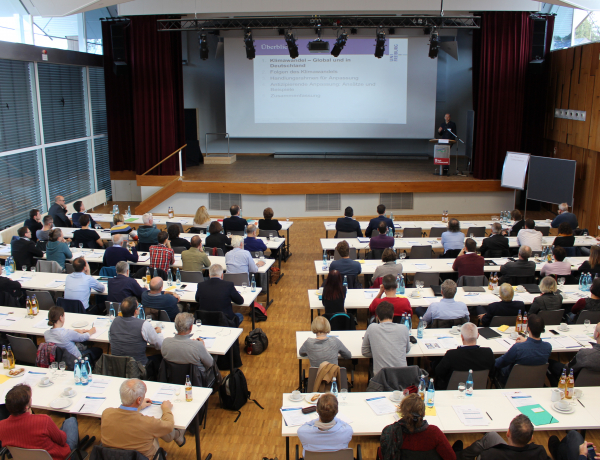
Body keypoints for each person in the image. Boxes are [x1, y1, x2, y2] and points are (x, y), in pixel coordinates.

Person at [101, 379, 185, 459]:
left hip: (112, 456)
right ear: (139, 399)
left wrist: (139, 406)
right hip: (142, 457)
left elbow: (126, 416)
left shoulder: (106, 413)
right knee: (155, 431)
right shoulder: (148, 423)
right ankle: (177, 435)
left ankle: (177, 436)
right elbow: (169, 426)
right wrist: (166, 409)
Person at [0, 384, 81, 459]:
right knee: (71, 421)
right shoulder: (43, 421)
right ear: (26, 406)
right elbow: (62, 440)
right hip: (59, 457)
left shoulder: (1, 426)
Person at [380, 393, 455, 460]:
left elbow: (383, 454)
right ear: (424, 413)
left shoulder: (390, 432)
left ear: (401, 412)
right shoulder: (434, 432)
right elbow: (451, 457)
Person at [454, 414, 550, 460]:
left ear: (508, 433)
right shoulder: (540, 452)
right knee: (491, 436)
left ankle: (457, 456)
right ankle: (461, 455)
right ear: (531, 438)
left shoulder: (490, 455)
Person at [433, 322, 495, 390]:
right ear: (478, 336)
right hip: (479, 390)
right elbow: (492, 373)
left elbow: (438, 372)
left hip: (451, 390)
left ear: (461, 337)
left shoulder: (451, 355)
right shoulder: (488, 353)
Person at [494, 314, 551, 383]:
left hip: (513, 381)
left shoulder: (518, 347)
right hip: (535, 381)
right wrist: (526, 341)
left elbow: (499, 363)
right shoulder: (548, 347)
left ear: (528, 328)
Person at [109, 296, 163, 366]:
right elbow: (159, 345)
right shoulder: (144, 324)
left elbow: (111, 340)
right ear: (136, 311)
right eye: (138, 307)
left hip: (117, 367)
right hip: (138, 369)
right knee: (160, 358)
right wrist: (159, 333)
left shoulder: (114, 321)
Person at [362, 302, 411, 375]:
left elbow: (365, 352)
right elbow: (407, 350)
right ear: (393, 315)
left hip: (381, 379)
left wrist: (378, 352)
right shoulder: (404, 328)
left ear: (377, 317)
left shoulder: (372, 328)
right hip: (402, 378)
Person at [548, 322, 600, 386]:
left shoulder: (585, 354)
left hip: (572, 384)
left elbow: (568, 370)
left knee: (549, 362)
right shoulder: (586, 355)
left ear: (597, 334)